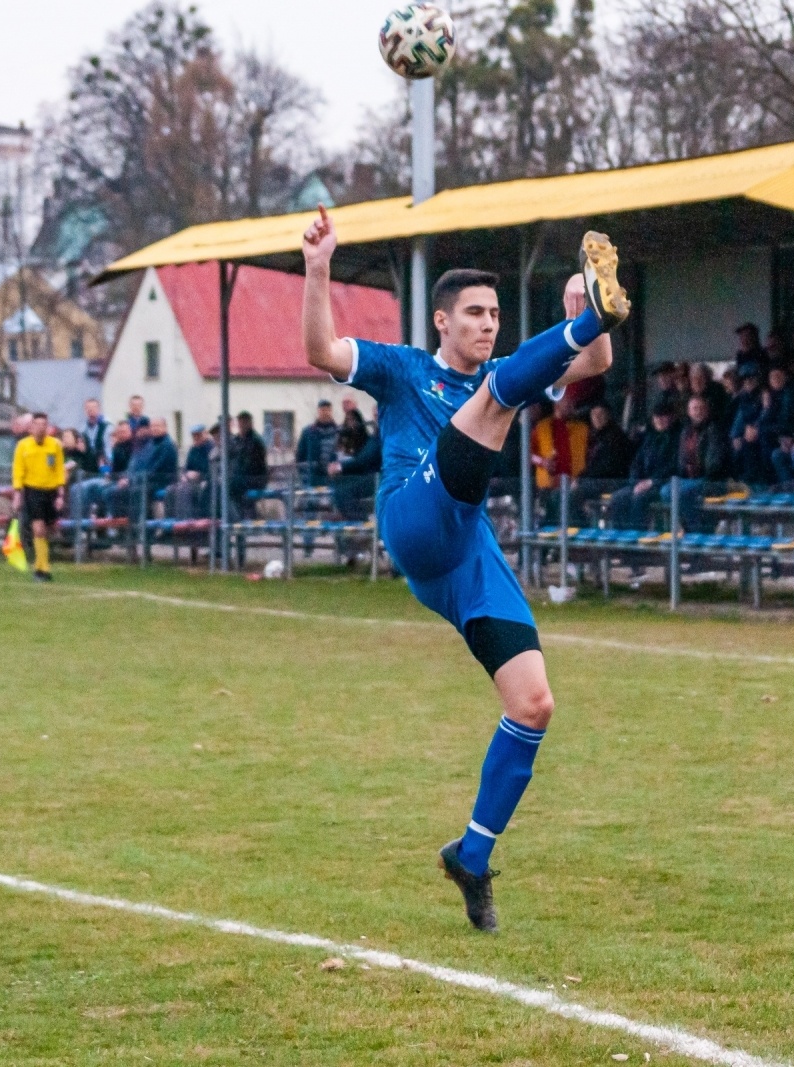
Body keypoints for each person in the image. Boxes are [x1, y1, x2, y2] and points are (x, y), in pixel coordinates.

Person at [303, 205, 623, 931]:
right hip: (414, 518)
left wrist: (587, 315)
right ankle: (585, 314)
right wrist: (318, 268)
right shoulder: (404, 368)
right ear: (442, 321)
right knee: (497, 399)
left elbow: (595, 367)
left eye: (496, 313)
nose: (488, 323)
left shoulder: (506, 372)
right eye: (475, 312)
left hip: (467, 547)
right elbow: (322, 348)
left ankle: (471, 855)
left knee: (533, 703)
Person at [12, 412, 66, 582]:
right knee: (38, 528)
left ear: (48, 426)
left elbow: (59, 470)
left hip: (51, 491)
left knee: (48, 531)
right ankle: (41, 569)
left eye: (44, 424)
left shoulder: (55, 445)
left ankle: (43, 565)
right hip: (32, 491)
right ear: (31, 427)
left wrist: (60, 494)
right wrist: (17, 494)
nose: (41, 427)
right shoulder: (23, 446)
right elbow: (18, 470)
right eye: (37, 424)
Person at [609, 398, 680, 528]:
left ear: (671, 417)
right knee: (618, 498)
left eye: (663, 416)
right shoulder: (650, 438)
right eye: (656, 416)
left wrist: (651, 482)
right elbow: (637, 463)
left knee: (639, 499)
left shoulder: (678, 438)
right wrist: (636, 482)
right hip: (641, 484)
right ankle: (620, 541)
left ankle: (637, 541)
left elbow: (674, 467)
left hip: (662, 484)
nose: (659, 419)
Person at [665, 393, 729, 530]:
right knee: (665, 491)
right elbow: (680, 459)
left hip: (710, 480)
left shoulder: (714, 429)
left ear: (707, 410)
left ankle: (697, 530)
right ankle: (687, 526)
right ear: (689, 411)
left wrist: (698, 470)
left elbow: (715, 462)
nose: (698, 412)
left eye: (701, 408)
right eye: (694, 408)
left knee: (682, 493)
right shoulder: (685, 431)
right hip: (688, 479)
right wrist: (683, 470)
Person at [529, 398, 588, 519]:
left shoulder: (582, 428)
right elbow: (528, 453)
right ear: (557, 404)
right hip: (548, 486)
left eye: (572, 402)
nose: (571, 404)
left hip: (574, 484)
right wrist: (542, 462)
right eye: (567, 401)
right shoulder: (541, 427)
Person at [229, 411, 269, 517]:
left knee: (232, 485)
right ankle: (236, 517)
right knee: (226, 485)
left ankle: (240, 518)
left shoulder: (255, 441)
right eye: (240, 422)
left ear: (250, 423)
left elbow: (251, 465)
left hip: (256, 478)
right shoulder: (236, 440)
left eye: (244, 422)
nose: (241, 425)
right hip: (241, 478)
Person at [295, 399, 341, 486]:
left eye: (328, 410)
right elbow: (300, 456)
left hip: (334, 479)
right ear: (318, 411)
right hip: (313, 479)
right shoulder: (308, 432)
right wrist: (304, 476)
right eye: (323, 410)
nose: (326, 413)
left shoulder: (339, 431)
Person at [78, 398, 110, 463]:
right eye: (88, 408)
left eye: (94, 407)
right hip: (87, 463)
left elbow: (108, 449)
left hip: (103, 463)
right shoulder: (81, 429)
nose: (90, 410)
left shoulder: (107, 427)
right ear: (85, 410)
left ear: (99, 409)